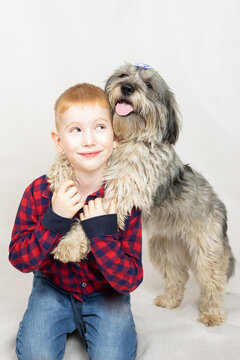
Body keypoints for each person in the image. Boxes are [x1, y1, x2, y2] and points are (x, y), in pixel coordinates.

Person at [9, 83, 143, 360]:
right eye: (76, 130)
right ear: (59, 142)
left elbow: (129, 280)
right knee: (36, 355)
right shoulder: (39, 192)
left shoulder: (127, 199)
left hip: (106, 293)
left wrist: (102, 236)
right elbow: (20, 260)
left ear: (116, 137)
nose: (89, 140)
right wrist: (54, 219)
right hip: (53, 288)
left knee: (113, 356)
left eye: (100, 128)